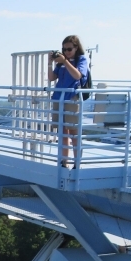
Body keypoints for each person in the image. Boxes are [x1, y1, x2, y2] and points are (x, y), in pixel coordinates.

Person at [48, 35, 89, 168]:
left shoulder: (81, 60)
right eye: (64, 49)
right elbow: (52, 77)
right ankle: (64, 161)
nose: (66, 52)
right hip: (58, 97)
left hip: (71, 98)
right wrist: (50, 63)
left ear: (76, 48)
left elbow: (78, 75)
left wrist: (66, 61)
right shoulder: (61, 63)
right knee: (62, 131)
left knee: (73, 132)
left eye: (69, 49)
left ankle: (77, 162)